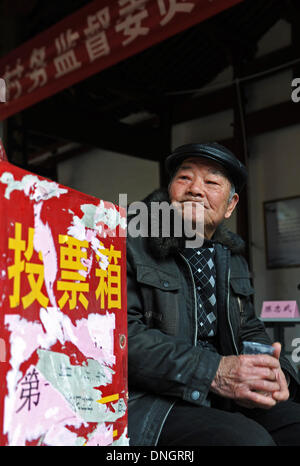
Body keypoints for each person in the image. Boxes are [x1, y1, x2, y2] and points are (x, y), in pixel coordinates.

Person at [127, 142, 300, 446]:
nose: (195, 188)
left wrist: (276, 374)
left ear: (230, 205)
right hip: (154, 400)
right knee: (248, 442)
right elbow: (123, 337)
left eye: (211, 182)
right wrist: (214, 372)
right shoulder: (130, 244)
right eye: (184, 178)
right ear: (170, 192)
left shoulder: (231, 259)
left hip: (224, 396)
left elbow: (249, 328)